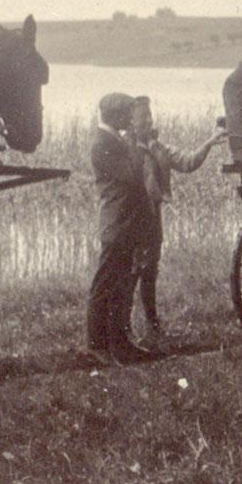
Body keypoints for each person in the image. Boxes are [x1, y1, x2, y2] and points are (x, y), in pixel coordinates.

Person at [125, 96, 227, 346]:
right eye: (142, 117)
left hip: (152, 218)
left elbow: (188, 161)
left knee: (150, 271)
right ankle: (124, 328)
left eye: (149, 115)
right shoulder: (125, 149)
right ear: (131, 121)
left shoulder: (158, 148)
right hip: (131, 220)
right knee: (131, 272)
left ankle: (152, 324)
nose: (148, 120)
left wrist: (210, 142)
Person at [87, 92, 154, 365]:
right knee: (104, 286)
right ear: (114, 115)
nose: (131, 119)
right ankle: (97, 345)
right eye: (127, 113)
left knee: (121, 287)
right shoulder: (102, 143)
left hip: (127, 223)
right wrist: (137, 142)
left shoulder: (113, 139)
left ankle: (120, 343)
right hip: (117, 224)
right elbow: (131, 175)